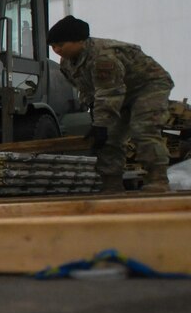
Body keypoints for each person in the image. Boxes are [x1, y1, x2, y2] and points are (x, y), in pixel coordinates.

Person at [47, 14, 175, 193]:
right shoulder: (67, 63)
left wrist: (101, 124)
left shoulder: (103, 56)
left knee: (143, 129)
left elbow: (110, 92)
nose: (57, 50)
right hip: (117, 91)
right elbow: (87, 89)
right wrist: (96, 119)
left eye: (61, 45)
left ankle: (157, 180)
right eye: (53, 46)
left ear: (80, 41)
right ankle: (111, 185)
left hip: (147, 86)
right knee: (110, 138)